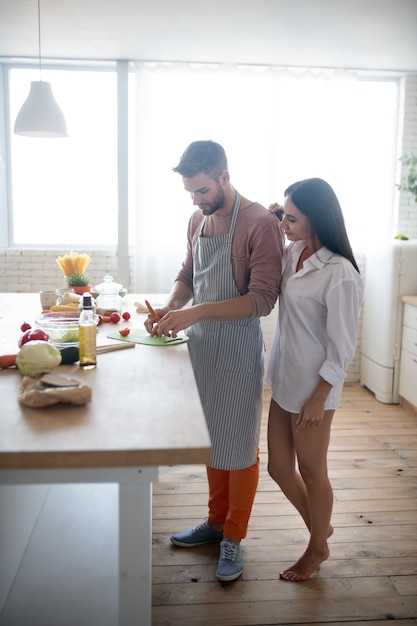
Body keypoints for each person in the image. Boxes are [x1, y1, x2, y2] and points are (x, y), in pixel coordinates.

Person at [144, 140, 284, 581]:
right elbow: (188, 276)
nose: (197, 201)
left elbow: (262, 300)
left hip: (238, 348)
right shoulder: (197, 220)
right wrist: (170, 308)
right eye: (190, 193)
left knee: (239, 447)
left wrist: (197, 311)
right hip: (202, 348)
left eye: (203, 191)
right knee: (214, 440)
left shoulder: (260, 224)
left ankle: (234, 538)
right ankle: (215, 521)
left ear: (224, 176)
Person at [267, 177, 364, 582]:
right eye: (285, 216)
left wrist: (320, 396)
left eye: (292, 218)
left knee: (312, 469)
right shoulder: (293, 253)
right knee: (277, 467)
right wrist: (275, 219)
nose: (285, 224)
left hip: (314, 387)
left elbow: (342, 345)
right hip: (285, 376)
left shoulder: (340, 273)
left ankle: (317, 548)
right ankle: (320, 529)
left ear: (317, 219)